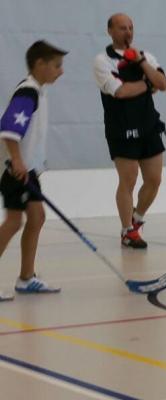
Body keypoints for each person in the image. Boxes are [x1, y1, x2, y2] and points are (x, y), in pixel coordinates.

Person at [93, 13, 166, 249]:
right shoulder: (103, 61)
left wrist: (142, 62)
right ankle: (127, 231)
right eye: (122, 28)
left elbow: (163, 83)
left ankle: (136, 219)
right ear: (110, 31)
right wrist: (147, 84)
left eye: (130, 28)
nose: (128, 32)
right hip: (121, 128)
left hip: (149, 124)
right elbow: (121, 92)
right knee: (129, 179)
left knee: (154, 180)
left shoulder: (146, 56)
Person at [0, 40, 67, 301]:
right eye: (57, 66)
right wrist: (16, 160)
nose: (61, 71)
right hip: (15, 170)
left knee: (36, 217)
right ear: (40, 64)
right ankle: (26, 277)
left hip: (28, 170)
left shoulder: (38, 91)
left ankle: (27, 278)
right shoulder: (27, 92)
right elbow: (8, 129)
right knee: (14, 222)